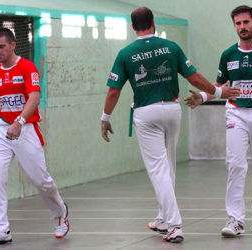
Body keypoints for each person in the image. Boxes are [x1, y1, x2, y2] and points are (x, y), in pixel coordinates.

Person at [101, 7, 240, 243]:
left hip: (146, 114)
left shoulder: (126, 53)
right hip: (173, 111)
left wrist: (105, 118)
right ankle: (163, 217)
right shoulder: (171, 47)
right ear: (153, 23)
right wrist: (218, 91)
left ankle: (174, 225)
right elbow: (194, 77)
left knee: (158, 169)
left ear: (133, 27)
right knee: (168, 166)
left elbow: (114, 91)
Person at [185, 5, 252, 237]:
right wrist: (203, 96)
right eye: (238, 23)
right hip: (235, 113)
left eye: (246, 22)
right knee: (235, 164)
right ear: (234, 26)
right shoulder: (228, 55)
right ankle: (235, 220)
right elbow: (220, 88)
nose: (242, 27)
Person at [0, 28, 69, 246]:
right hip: (0, 130)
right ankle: (0, 230)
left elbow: (34, 98)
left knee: (41, 180)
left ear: (13, 45)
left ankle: (60, 212)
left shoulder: (27, 67)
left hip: (25, 129)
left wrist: (19, 122)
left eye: (1, 47)